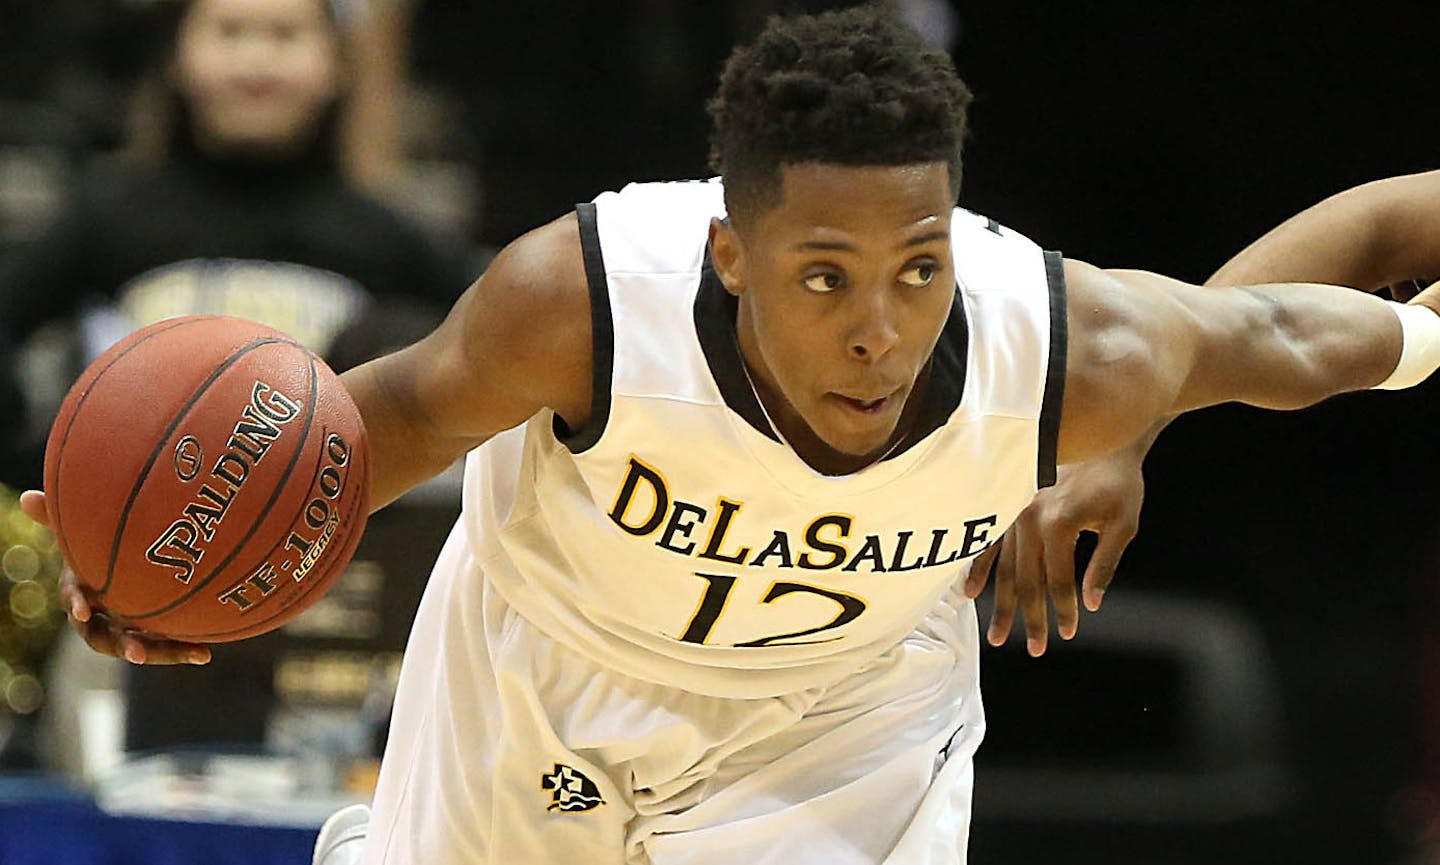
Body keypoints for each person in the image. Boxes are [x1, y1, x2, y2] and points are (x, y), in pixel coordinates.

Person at [20, 6, 1440, 863]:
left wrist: (1113, 445)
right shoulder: (578, 300)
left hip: (840, 709)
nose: (882, 327)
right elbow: (369, 430)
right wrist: (182, 580)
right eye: (826, 275)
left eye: (919, 266)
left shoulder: (1065, 346)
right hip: (539, 662)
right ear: (733, 251)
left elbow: (1338, 287)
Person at [0, 0, 471, 490]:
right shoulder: (111, 218)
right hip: (140, 517)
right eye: (229, 31)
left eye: (284, 35)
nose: (256, 58)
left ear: (338, 65)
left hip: (317, 530)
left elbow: (492, 338)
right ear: (176, 59)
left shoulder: (382, 235)